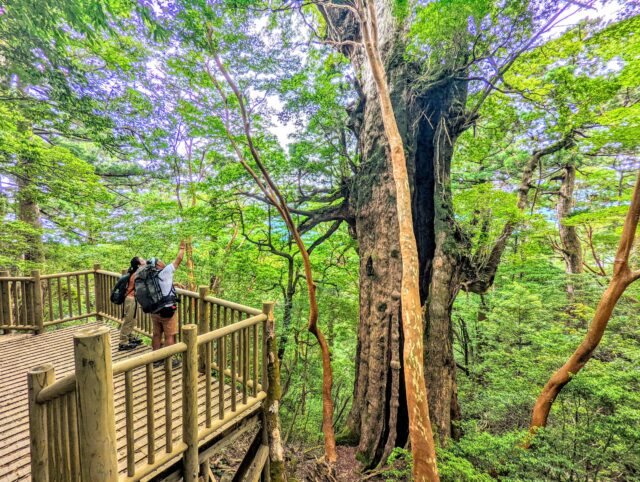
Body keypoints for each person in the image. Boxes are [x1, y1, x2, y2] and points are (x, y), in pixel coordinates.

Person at [151, 240, 185, 352]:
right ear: (158, 265)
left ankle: (155, 358)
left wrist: (174, 284)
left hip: (155, 309)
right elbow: (178, 260)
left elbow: (161, 287)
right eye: (160, 261)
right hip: (167, 310)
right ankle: (168, 361)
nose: (162, 262)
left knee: (156, 334)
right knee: (169, 336)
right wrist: (182, 248)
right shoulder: (165, 272)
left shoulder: (151, 276)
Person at [119, 257, 145, 351]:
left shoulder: (135, 273)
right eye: (142, 260)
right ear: (139, 265)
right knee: (128, 321)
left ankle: (130, 337)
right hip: (130, 299)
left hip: (132, 299)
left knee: (133, 320)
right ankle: (123, 342)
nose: (145, 261)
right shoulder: (137, 274)